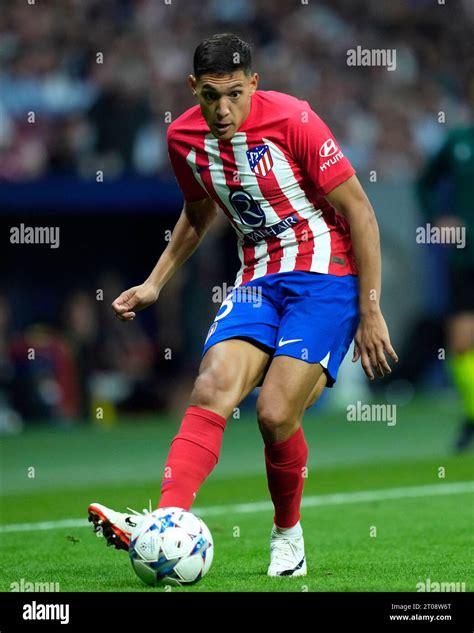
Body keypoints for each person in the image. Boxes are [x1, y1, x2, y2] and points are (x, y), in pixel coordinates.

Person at [88, 33, 397, 577]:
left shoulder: (295, 119)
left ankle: (288, 535)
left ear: (253, 83)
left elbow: (362, 213)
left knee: (275, 413)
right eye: (211, 95)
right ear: (193, 90)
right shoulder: (183, 137)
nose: (223, 108)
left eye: (234, 93)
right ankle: (165, 522)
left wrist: (370, 309)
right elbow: (198, 211)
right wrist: (156, 282)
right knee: (211, 387)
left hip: (326, 278)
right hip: (257, 278)